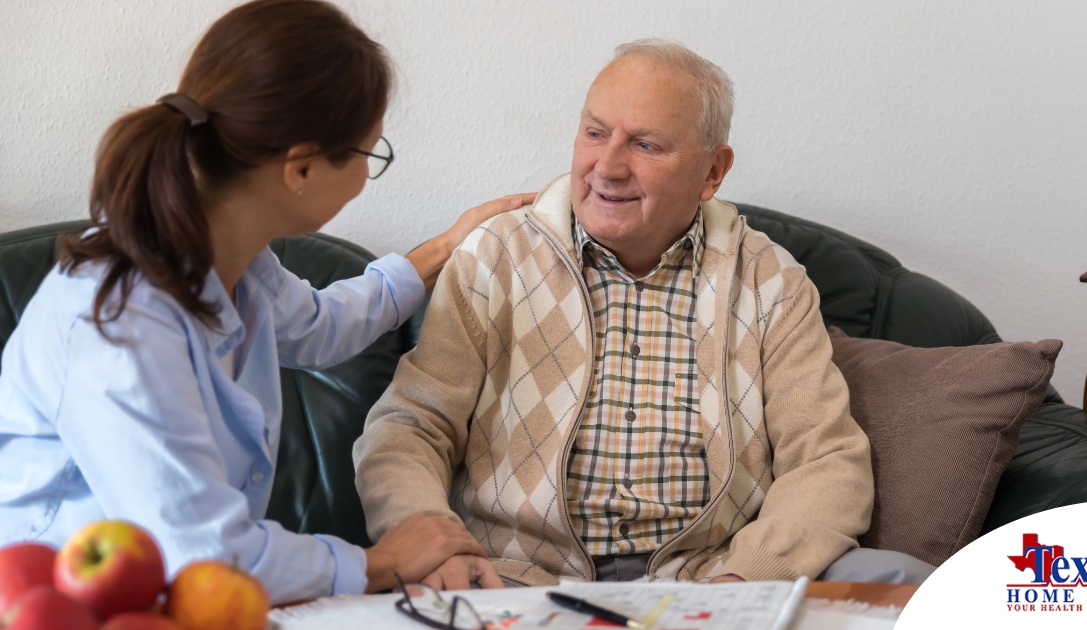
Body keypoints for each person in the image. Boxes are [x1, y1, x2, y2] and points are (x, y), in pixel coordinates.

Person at [353, 39, 935, 589]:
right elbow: (411, 426)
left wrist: (749, 576)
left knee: (903, 580)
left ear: (713, 172)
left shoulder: (771, 281)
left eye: (646, 144)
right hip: (517, 577)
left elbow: (826, 459)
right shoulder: (496, 255)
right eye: (595, 133)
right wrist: (434, 542)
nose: (607, 166)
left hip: (713, 574)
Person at [0, 0, 521, 604]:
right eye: (369, 154)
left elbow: (322, 328)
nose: (364, 176)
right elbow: (199, 552)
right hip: (61, 601)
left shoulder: (233, 257)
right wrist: (380, 562)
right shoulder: (119, 323)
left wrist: (449, 245)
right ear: (299, 169)